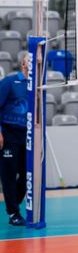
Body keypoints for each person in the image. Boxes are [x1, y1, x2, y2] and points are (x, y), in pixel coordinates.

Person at [0, 53, 29, 226]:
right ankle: (13, 213)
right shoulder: (10, 82)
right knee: (9, 174)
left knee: (28, 174)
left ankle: (13, 204)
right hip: (9, 134)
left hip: (28, 135)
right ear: (23, 64)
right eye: (29, 59)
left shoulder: (36, 86)